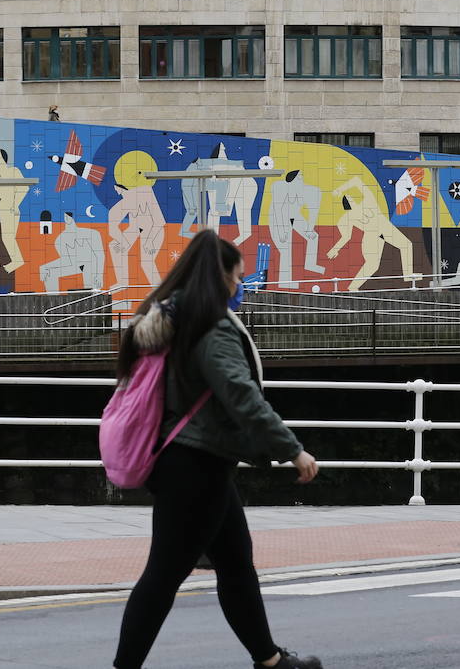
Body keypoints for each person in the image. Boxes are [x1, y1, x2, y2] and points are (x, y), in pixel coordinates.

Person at [113, 230, 322, 669]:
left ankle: (269, 660)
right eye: (238, 276)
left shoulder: (172, 318)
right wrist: (292, 449)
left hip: (192, 460)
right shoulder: (209, 324)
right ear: (222, 275)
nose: (239, 285)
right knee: (164, 575)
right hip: (196, 465)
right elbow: (240, 393)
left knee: (235, 563)